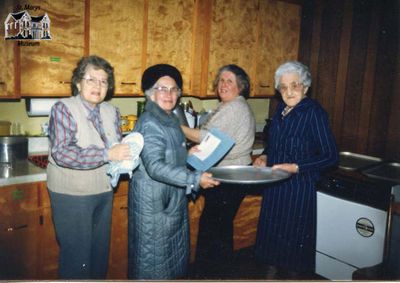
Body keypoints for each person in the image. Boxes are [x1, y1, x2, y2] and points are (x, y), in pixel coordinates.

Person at [127, 63, 220, 280]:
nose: (169, 94)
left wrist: (187, 155)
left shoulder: (168, 119)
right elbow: (155, 166)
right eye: (162, 88)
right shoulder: (150, 123)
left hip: (167, 201)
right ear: (150, 93)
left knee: (166, 264)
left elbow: (166, 155)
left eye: (174, 89)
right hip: (154, 204)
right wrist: (195, 178)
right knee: (153, 266)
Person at [46, 55, 132, 279]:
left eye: (103, 81)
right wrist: (107, 154)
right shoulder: (63, 108)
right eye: (91, 79)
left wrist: (129, 155)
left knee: (98, 256)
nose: (98, 86)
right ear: (78, 82)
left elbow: (116, 146)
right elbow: (62, 152)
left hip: (104, 190)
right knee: (77, 260)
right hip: (72, 194)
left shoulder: (112, 111)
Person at [253, 61, 339, 279]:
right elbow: (275, 142)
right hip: (274, 187)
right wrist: (265, 155)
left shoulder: (314, 113)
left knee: (293, 258)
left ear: (306, 87)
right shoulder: (281, 109)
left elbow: (330, 156)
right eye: (283, 87)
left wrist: (297, 167)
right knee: (270, 252)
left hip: (298, 191)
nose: (289, 91)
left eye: (295, 85)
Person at [181, 64, 256, 277]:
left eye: (229, 81)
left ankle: (210, 274)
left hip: (230, 175)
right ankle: (218, 273)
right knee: (218, 227)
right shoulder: (230, 106)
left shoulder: (234, 107)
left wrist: (177, 128)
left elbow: (208, 139)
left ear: (240, 86)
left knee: (214, 227)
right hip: (231, 173)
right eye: (221, 81)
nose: (223, 85)